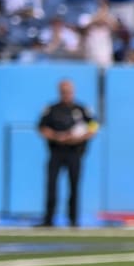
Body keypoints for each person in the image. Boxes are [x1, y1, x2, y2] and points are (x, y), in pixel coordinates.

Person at [37, 79, 98, 227]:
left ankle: (73, 220)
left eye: (68, 91)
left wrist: (77, 138)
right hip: (56, 152)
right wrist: (58, 137)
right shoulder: (52, 109)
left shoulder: (82, 109)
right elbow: (42, 128)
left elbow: (94, 126)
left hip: (74, 152)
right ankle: (48, 220)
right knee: (51, 185)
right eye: (63, 92)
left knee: (74, 186)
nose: (66, 95)